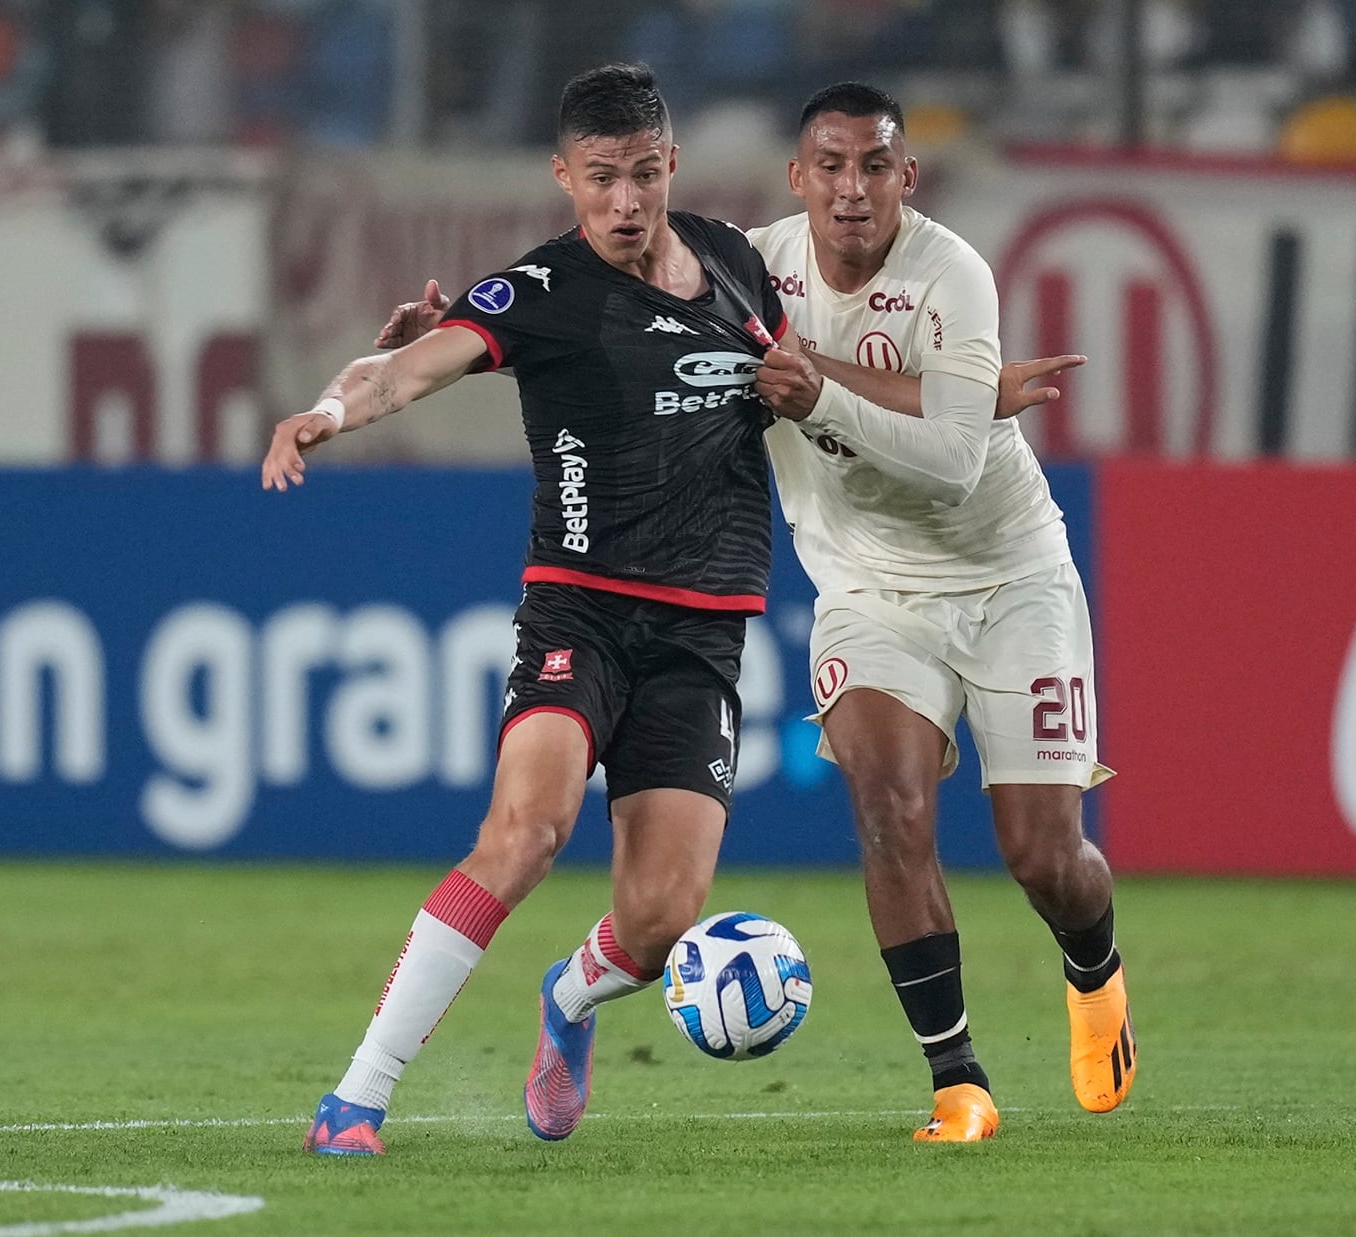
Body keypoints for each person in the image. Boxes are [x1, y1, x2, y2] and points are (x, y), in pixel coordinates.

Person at [376, 81, 1133, 1144]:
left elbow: (959, 463)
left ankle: (1091, 965)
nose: (850, 190)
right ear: (797, 178)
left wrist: (830, 388)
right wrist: (449, 333)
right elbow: (581, 288)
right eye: (828, 166)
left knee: (1042, 854)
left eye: (873, 166)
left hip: (1009, 577)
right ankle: (956, 1078)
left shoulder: (949, 273)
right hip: (866, 594)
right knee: (887, 801)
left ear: (904, 178)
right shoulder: (742, 263)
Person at [263, 62, 798, 1155]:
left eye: (641, 175)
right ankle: (353, 1102)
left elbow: (794, 389)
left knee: (656, 923)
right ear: (563, 177)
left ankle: (569, 995)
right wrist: (329, 407)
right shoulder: (543, 291)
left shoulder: (739, 266)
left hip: (702, 634)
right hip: (581, 614)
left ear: (670, 167)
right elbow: (407, 371)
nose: (622, 201)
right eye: (599, 178)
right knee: (523, 832)